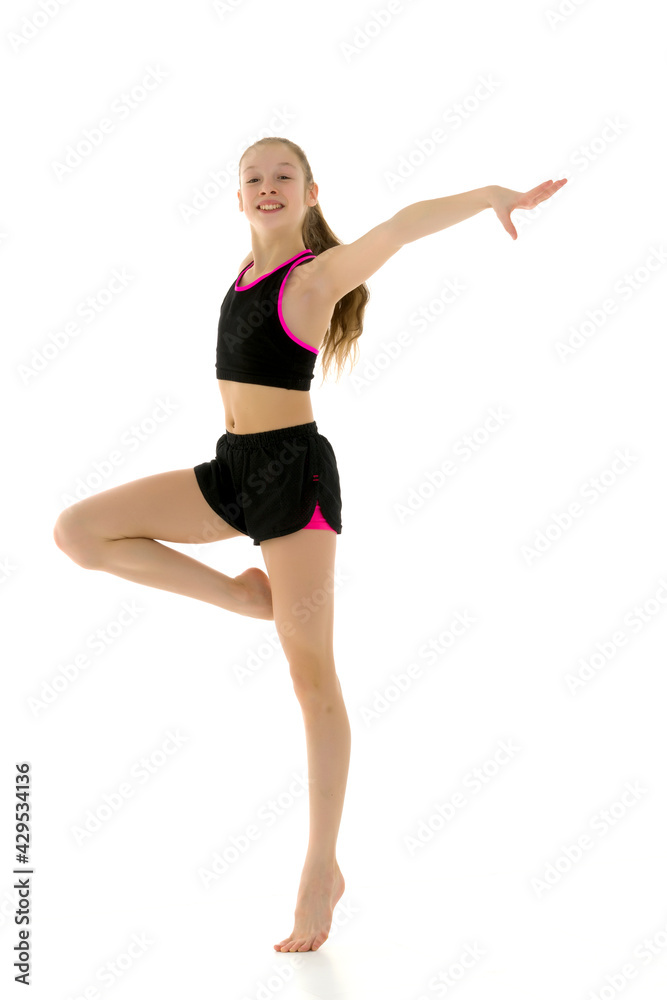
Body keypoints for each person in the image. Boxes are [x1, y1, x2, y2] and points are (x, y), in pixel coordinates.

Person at [53, 136, 567, 952]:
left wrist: (488, 195)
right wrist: (228, 586)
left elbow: (398, 227)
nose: (265, 187)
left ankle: (318, 868)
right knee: (78, 531)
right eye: (252, 177)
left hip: (293, 481)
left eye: (281, 176)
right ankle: (237, 596)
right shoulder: (241, 277)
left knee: (311, 676)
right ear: (236, 196)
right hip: (231, 470)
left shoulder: (315, 277)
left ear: (309, 192)